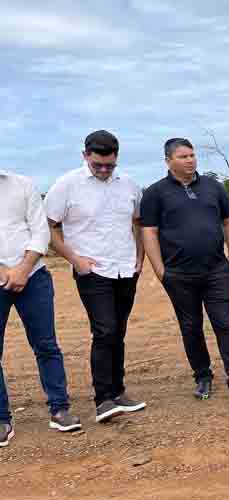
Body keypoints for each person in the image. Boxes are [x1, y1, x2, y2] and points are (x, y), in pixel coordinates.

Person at [45, 130, 148, 423]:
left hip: (126, 268)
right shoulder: (66, 186)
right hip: (92, 270)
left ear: (117, 158)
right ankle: (103, 399)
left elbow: (138, 221)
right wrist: (75, 259)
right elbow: (49, 226)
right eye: (97, 165)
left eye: (109, 165)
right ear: (85, 156)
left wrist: (139, 257)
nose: (104, 170)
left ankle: (118, 392)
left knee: (119, 331)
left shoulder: (129, 185)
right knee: (104, 330)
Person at [140, 138, 229, 403]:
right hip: (178, 274)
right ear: (168, 161)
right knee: (191, 327)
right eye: (183, 156)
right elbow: (149, 232)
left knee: (224, 324)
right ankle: (203, 377)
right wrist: (160, 270)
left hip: (216, 270)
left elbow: (228, 221)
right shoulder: (155, 193)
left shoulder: (213, 187)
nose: (190, 160)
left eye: (192, 155)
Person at [0, 169, 80, 447]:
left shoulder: (23, 183)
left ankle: (60, 409)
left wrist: (22, 269)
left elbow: (40, 230)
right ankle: (1, 418)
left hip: (32, 275)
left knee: (46, 345)